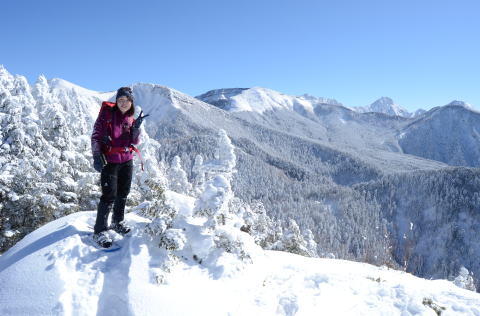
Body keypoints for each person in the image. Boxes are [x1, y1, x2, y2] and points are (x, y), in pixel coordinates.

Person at [90, 87, 147, 248]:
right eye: (120, 100)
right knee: (109, 196)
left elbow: (135, 142)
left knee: (123, 193)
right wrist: (96, 155)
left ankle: (117, 221)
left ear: (131, 102)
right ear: (116, 101)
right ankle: (100, 230)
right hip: (110, 161)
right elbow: (95, 135)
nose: (123, 103)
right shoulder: (107, 115)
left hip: (127, 160)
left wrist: (136, 130)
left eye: (127, 100)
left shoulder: (130, 118)